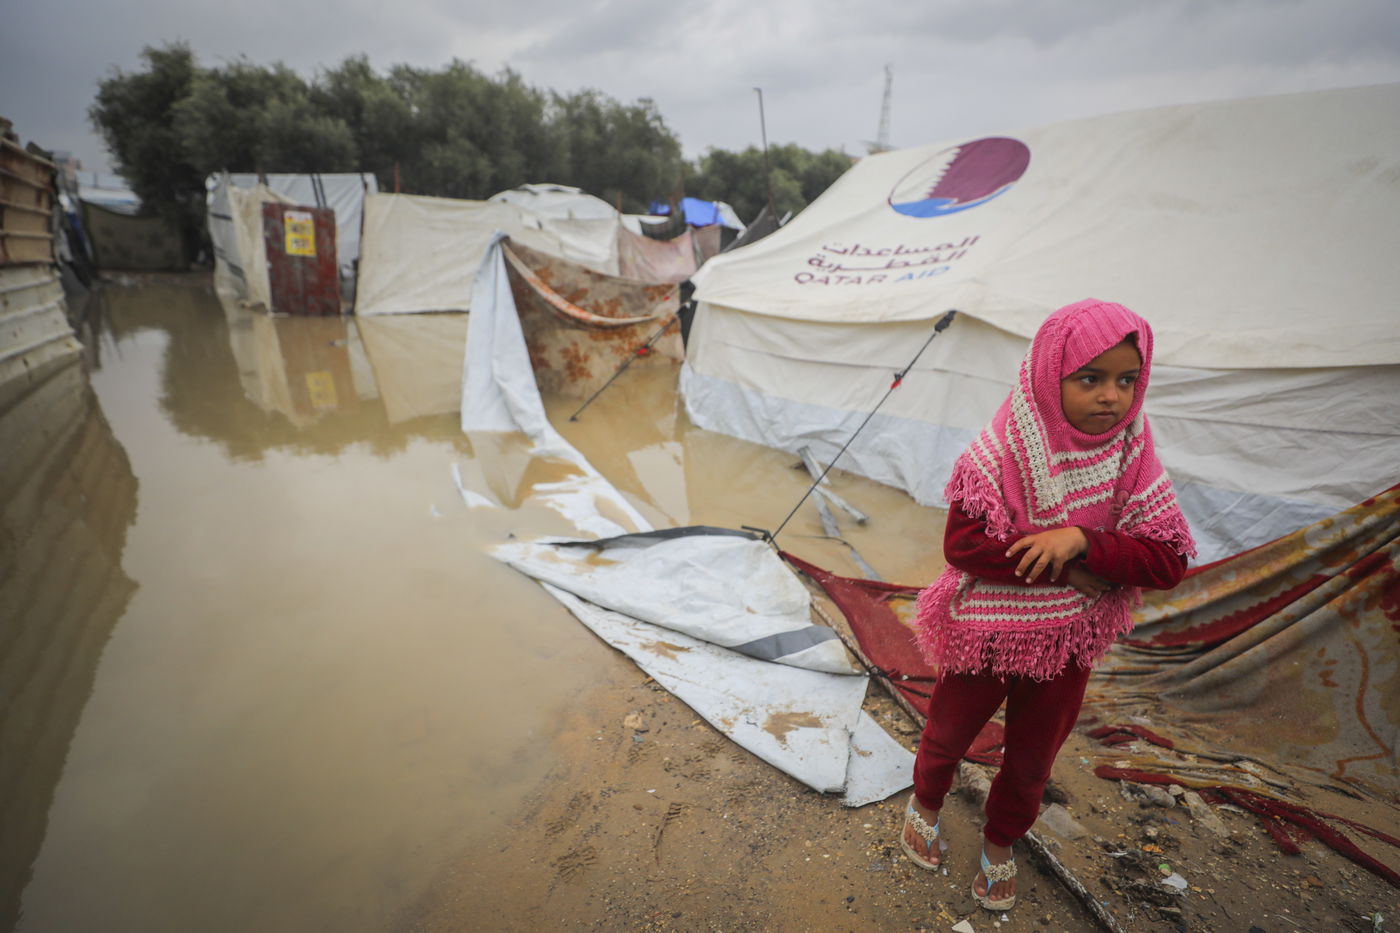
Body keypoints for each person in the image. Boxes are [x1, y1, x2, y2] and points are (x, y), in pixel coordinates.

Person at [898, 299, 1196, 912]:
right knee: (949, 731)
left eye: (1126, 380)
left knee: (1033, 757)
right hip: (987, 630)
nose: (1111, 396)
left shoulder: (1131, 453)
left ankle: (1001, 843)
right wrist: (1068, 567)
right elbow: (963, 546)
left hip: (1068, 643)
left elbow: (1167, 560)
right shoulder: (1002, 448)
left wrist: (1085, 539)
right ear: (1046, 373)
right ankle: (925, 802)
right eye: (1090, 378)